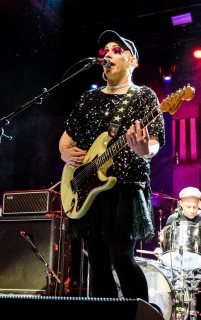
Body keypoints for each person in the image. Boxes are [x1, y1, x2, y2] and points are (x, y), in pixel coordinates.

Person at [59, 30, 165, 302]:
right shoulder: (89, 98)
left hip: (125, 189)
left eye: (117, 50)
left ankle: (141, 313)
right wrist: (66, 155)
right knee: (97, 263)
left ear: (133, 61)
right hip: (87, 190)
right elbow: (65, 141)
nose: (108, 53)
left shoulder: (144, 96)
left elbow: (153, 142)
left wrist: (144, 151)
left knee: (122, 258)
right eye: (106, 50)